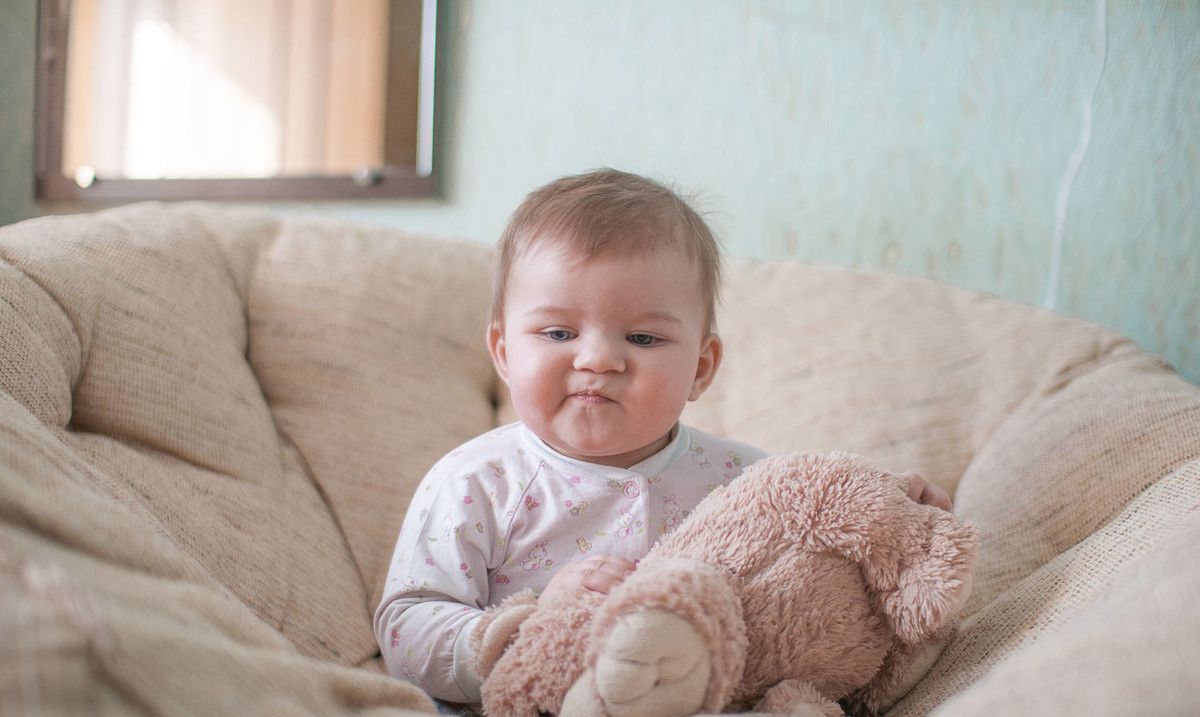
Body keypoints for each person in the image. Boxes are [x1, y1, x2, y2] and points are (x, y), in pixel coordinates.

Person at [373, 168, 950, 706]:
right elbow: (406, 623)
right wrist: (521, 633)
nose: (598, 359)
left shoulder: (742, 482)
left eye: (643, 339)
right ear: (503, 351)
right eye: (557, 332)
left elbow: (815, 540)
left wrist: (898, 514)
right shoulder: (478, 482)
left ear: (701, 367)